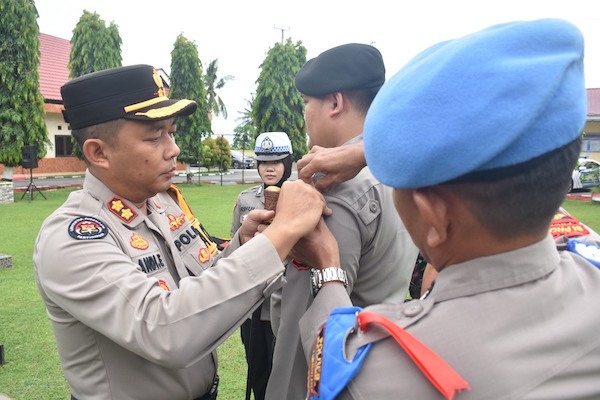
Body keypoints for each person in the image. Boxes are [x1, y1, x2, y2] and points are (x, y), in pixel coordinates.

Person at [298, 19, 600, 399]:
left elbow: (334, 353)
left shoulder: (380, 374)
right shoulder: (588, 265)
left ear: (435, 216)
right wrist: (366, 150)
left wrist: (327, 267)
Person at [32, 64, 331, 400]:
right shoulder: (73, 237)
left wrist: (246, 243)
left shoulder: (161, 204)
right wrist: (285, 230)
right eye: (154, 136)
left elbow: (201, 286)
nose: (173, 148)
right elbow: (167, 330)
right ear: (99, 153)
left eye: (171, 132)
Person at [265, 43, 419, 400]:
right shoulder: (398, 170)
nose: (304, 114)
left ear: (334, 103)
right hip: (376, 365)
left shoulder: (334, 188)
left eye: (307, 102)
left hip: (327, 377)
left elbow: (301, 324)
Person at [230, 131, 294, 400]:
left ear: (288, 164)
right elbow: (234, 247)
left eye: (277, 162)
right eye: (264, 162)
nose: (269, 168)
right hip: (254, 307)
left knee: (287, 380)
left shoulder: (300, 198)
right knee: (258, 376)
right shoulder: (246, 200)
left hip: (288, 304)